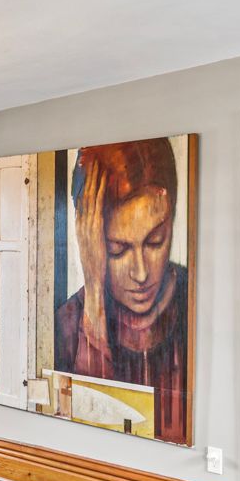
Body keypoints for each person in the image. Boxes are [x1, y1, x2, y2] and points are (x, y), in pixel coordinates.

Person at [53, 138, 190, 443]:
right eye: (117, 249)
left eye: (155, 241)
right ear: (90, 241)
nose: (140, 273)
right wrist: (94, 301)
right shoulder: (66, 324)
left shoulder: (196, 300)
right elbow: (84, 426)